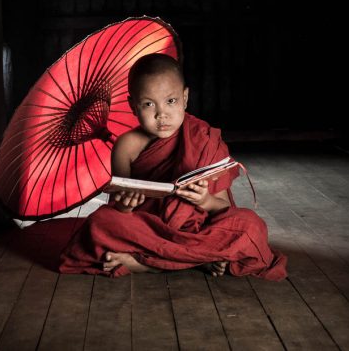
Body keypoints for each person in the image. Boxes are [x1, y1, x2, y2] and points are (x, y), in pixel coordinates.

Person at [58, 53, 287, 280]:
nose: (161, 114)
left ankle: (146, 263)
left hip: (198, 230)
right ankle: (197, 260)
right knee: (100, 223)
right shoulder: (125, 146)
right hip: (149, 231)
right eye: (148, 104)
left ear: (185, 98)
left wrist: (204, 200)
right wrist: (127, 206)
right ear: (133, 105)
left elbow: (223, 208)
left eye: (171, 101)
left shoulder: (202, 138)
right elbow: (120, 208)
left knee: (251, 226)